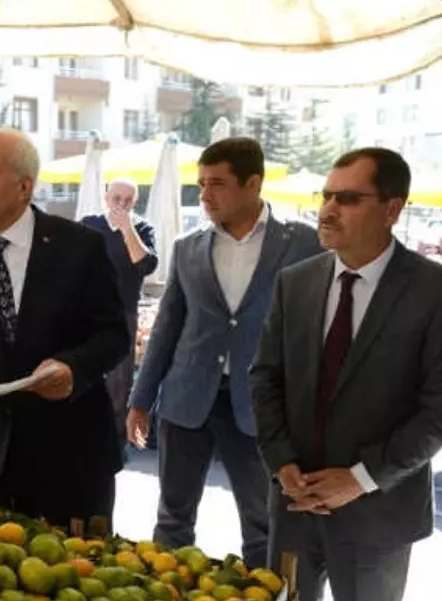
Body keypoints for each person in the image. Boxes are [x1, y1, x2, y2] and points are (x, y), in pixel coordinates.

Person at [249, 148, 442, 601]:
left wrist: (359, 478)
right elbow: (266, 380)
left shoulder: (440, 292)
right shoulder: (298, 281)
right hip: (295, 497)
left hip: (377, 508)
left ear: (392, 209)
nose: (329, 208)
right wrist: (283, 463)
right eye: (327, 195)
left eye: (348, 198)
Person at [126, 137, 320, 569]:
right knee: (172, 517)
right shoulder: (188, 247)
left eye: (217, 183)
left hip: (261, 404)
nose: (206, 195)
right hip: (186, 398)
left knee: (263, 522)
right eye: (201, 183)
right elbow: (168, 327)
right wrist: (140, 399)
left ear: (253, 183)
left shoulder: (305, 244)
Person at [0, 128, 128, 527]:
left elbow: (114, 335)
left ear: (24, 187)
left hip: (73, 452)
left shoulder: (80, 246)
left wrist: (73, 368)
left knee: (81, 577)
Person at [79, 178, 158, 457]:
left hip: (123, 314)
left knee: (118, 385)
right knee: (82, 377)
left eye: (127, 200)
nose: (121, 205)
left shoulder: (143, 229)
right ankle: (82, 442)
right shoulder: (89, 224)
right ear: (106, 197)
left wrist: (127, 228)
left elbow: (146, 264)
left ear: (135, 202)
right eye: (116, 199)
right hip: (86, 314)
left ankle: (112, 450)